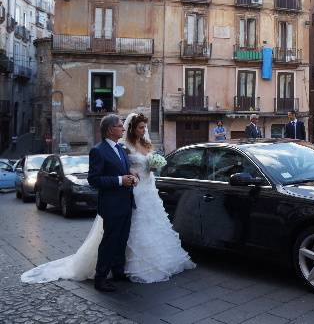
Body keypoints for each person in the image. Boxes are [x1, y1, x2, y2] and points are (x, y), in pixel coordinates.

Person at [21, 113, 195, 290]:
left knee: (121, 239)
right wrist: (120, 180)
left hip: (127, 201)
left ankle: (118, 272)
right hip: (111, 204)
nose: (123, 128)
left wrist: (131, 175)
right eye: (120, 126)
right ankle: (101, 278)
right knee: (109, 241)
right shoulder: (98, 150)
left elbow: (125, 169)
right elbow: (94, 180)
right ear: (111, 129)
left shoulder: (120, 149)